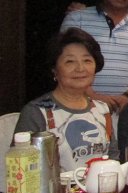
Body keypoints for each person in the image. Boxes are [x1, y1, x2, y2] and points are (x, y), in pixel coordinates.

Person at [15, 28, 115, 169]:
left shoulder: (102, 110)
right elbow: (21, 168)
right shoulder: (36, 112)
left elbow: (113, 159)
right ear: (54, 70)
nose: (80, 68)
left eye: (87, 60)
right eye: (70, 61)